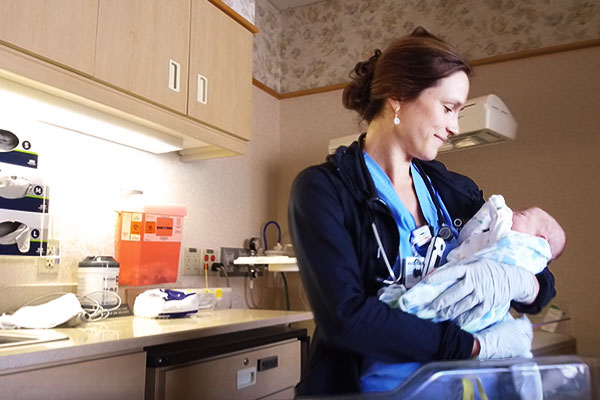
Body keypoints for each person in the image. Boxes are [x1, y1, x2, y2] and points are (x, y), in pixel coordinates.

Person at [288, 27, 557, 397]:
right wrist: (474, 347)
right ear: (398, 95)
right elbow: (347, 319)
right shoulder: (324, 190)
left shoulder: (453, 192)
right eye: (448, 109)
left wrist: (521, 283)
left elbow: (535, 272)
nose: (454, 127)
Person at [382, 194, 566, 333]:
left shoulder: (526, 248)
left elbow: (544, 282)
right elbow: (468, 234)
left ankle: (404, 307)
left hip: (475, 309)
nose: (514, 214)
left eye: (523, 214)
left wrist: (526, 284)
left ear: (540, 239)